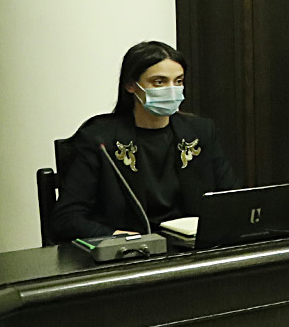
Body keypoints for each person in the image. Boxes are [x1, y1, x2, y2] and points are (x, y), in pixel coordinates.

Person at [52, 41, 241, 241]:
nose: (171, 90)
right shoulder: (100, 140)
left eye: (178, 81)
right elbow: (66, 218)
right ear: (131, 85)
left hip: (190, 248)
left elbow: (234, 200)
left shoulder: (200, 132)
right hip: (134, 250)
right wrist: (115, 237)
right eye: (159, 82)